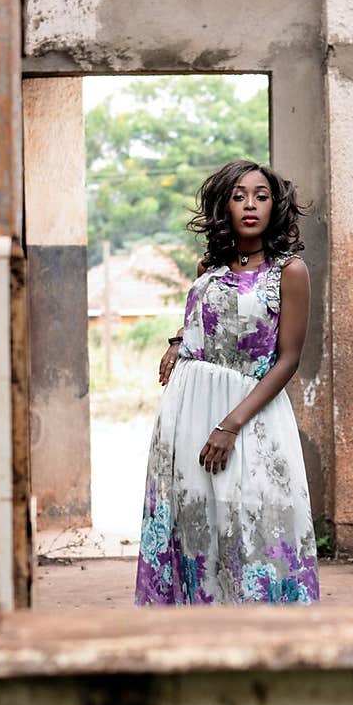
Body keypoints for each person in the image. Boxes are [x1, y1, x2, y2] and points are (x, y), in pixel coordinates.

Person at [134, 159, 320, 605]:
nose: (250, 205)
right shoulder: (209, 266)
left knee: (256, 525)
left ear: (276, 206)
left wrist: (231, 425)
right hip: (187, 413)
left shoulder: (289, 272)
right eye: (239, 196)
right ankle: (199, 638)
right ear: (224, 206)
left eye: (261, 196)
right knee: (198, 527)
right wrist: (178, 341)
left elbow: (288, 359)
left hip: (249, 414)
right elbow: (205, 322)